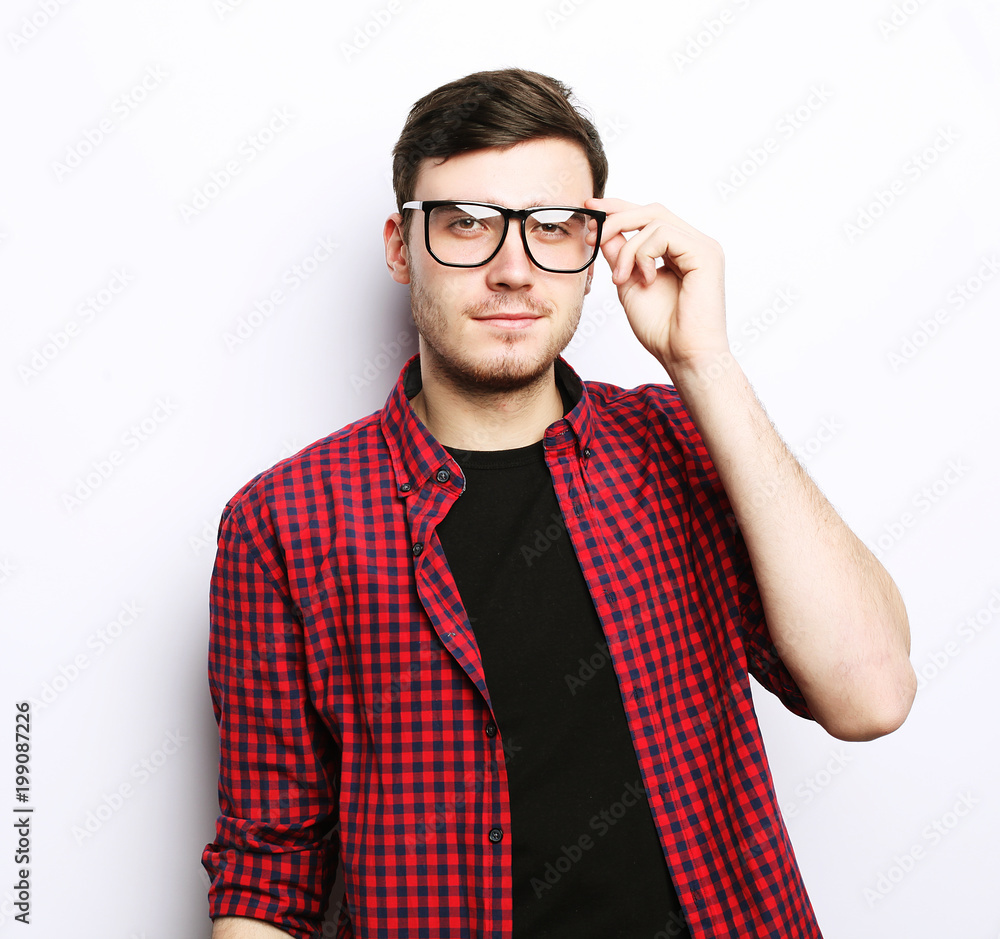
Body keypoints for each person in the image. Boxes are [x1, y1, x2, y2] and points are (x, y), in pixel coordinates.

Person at [202, 68, 916, 939]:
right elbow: (267, 870)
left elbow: (871, 694)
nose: (513, 271)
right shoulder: (285, 520)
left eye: (551, 227)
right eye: (467, 224)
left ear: (594, 249)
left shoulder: (684, 441)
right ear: (400, 248)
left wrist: (704, 365)